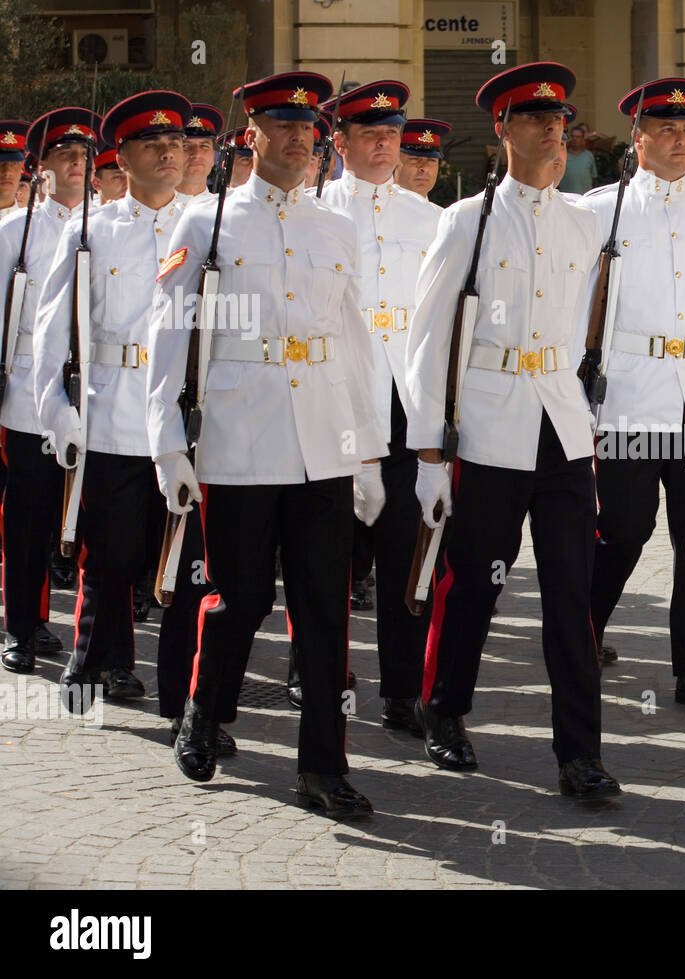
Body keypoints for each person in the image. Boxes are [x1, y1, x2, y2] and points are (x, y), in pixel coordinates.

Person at [149, 71, 386, 818]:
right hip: (242, 438)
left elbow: (354, 343)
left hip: (322, 441)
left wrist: (368, 451)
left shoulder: (335, 229)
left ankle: (324, 764)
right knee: (237, 598)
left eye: (307, 128)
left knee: (324, 611)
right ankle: (203, 708)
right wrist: (167, 444)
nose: (296, 139)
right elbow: (170, 339)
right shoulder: (208, 223)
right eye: (280, 126)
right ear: (251, 135)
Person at [405, 62, 620, 800]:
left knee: (571, 592)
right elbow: (428, 341)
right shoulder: (465, 220)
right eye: (532, 117)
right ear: (502, 129)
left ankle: (580, 754)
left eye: (558, 116)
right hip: (491, 426)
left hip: (562, 426)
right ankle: (444, 708)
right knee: (472, 586)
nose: (549, 127)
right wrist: (430, 450)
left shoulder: (584, 220)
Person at [32, 93, 191, 710]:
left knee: (178, 557)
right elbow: (53, 327)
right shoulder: (91, 228)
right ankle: (101, 657)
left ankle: (186, 691)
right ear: (120, 157)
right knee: (115, 551)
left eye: (174, 142)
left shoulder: (204, 224)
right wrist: (57, 410)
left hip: (181, 415)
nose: (167, 152)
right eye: (151, 144)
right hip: (115, 409)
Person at [580, 77, 685, 709]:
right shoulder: (598, 210)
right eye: (665, 129)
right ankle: (581, 628)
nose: (679, 140)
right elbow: (575, 308)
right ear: (636, 138)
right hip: (628, 398)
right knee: (623, 528)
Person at [319, 80, 442, 738]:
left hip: (401, 405)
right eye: (368, 135)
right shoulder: (313, 211)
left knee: (404, 550)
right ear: (339, 143)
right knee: (327, 552)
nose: (382, 146)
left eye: (390, 135)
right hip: (330, 401)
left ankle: (402, 687)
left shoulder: (428, 218)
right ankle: (322, 672)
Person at [0, 111, 97, 676]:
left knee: (88, 521)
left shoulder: (103, 226)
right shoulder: (17, 232)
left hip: (95, 397)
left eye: (84, 158)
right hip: (31, 400)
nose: (78, 167)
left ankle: (95, 642)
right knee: (29, 519)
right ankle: (23, 625)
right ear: (42, 167)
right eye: (66, 157)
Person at [175, 103, 222, 205]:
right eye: (186, 146)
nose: (197, 154)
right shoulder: (150, 210)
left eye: (204, 146)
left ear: (213, 156)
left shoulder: (225, 212)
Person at [396, 118, 451, 199]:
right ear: (395, 163)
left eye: (431, 160)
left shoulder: (441, 212)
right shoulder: (377, 210)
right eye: (414, 159)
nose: (425, 168)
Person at [556, 121, 597, 194]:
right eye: (573, 136)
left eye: (578, 137)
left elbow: (593, 177)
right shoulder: (562, 155)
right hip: (565, 198)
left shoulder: (589, 156)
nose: (575, 139)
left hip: (584, 199)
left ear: (583, 139)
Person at [0, 120, 26, 219]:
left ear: (22, 167)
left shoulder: (33, 224)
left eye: (14, 163)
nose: (7, 172)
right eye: (1, 163)